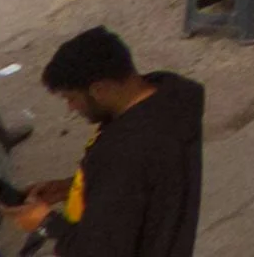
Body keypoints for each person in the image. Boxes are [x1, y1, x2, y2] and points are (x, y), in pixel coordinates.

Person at [14, 30, 201, 257]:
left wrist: (44, 221)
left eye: (71, 98)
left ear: (99, 90)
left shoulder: (124, 153)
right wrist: (74, 187)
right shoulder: (170, 95)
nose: (71, 108)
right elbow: (140, 187)